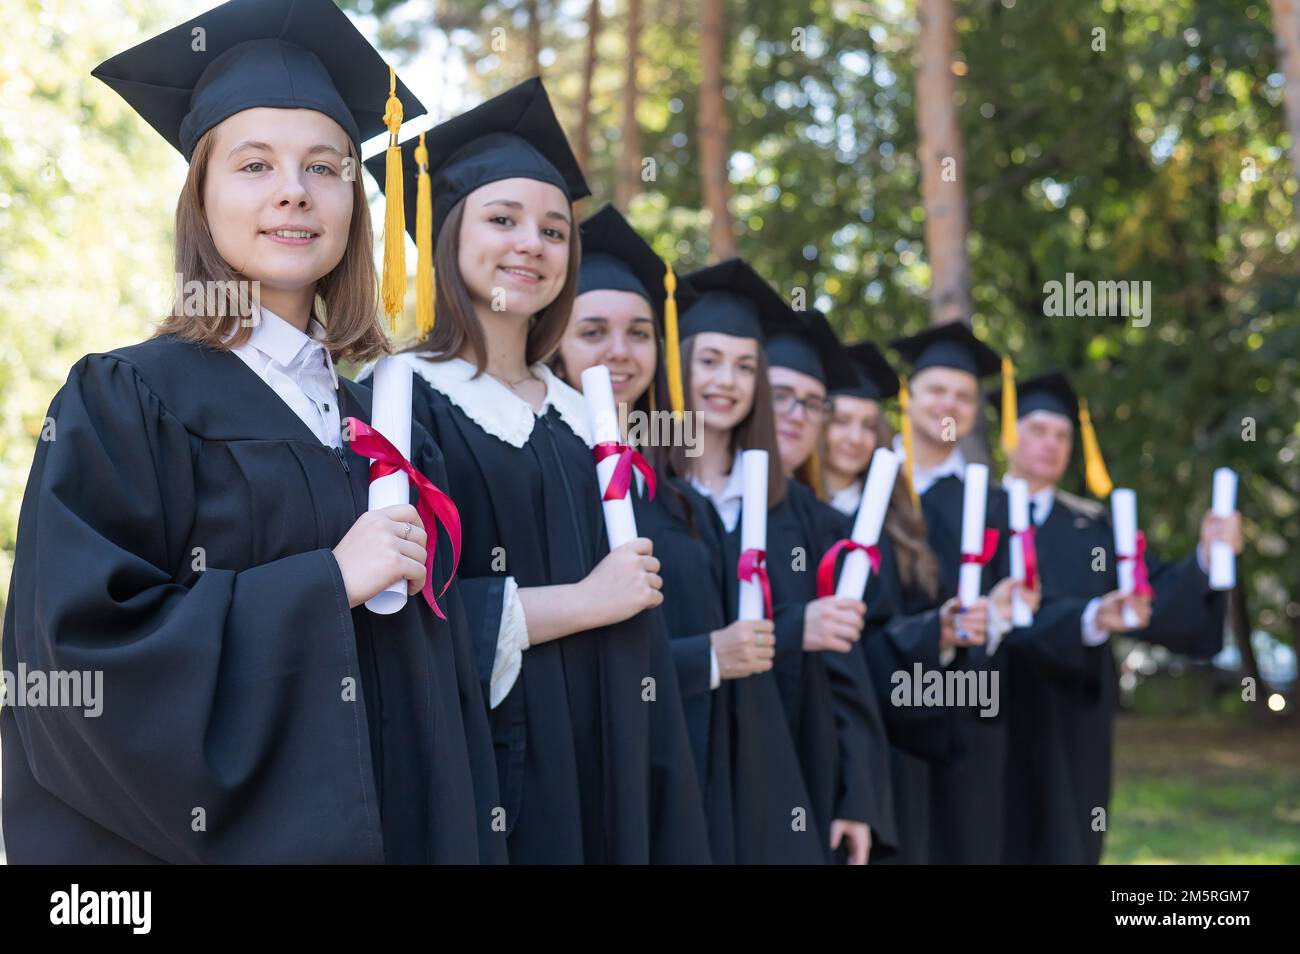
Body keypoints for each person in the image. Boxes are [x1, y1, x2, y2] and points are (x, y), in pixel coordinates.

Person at [2, 0, 503, 864]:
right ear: (201, 196)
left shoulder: (376, 425)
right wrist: (328, 583)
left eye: (325, 166)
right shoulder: (124, 399)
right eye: (254, 164)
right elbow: (78, 663)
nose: (292, 191)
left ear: (354, 200)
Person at [362, 81, 710, 864]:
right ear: (447, 235)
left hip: (612, 752)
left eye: (555, 230)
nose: (532, 244)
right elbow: (398, 616)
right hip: (487, 776)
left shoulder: (591, 421)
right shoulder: (399, 406)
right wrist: (584, 604)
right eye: (502, 219)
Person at [552, 203, 823, 863]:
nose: (620, 351)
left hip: (687, 776)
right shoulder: (546, 464)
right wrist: (707, 658)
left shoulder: (670, 496)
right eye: (593, 331)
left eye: (640, 333)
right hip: (582, 780)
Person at [669, 259, 888, 864]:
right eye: (708, 360)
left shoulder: (804, 516)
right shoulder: (641, 492)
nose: (727, 382)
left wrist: (858, 794)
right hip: (676, 762)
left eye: (745, 367)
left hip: (784, 769)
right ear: (676, 361)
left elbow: (847, 675)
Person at [990, 371, 1240, 863]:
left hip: (1073, 725)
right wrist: (1088, 617)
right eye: (1038, 430)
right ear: (1009, 436)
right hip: (989, 718)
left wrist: (1208, 557)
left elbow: (1155, 598)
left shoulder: (1093, 528)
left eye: (1063, 436)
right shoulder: (968, 514)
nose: (1051, 445)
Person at [823, 340, 982, 864]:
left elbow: (898, 640)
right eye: (840, 420)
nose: (854, 438)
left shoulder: (898, 532)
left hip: (880, 741)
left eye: (869, 426)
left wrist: (936, 633)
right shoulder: (785, 515)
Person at [888, 320, 1039, 863]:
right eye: (936, 390)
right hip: (884, 701)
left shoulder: (994, 505)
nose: (948, 404)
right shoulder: (872, 486)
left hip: (968, 707)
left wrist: (1001, 615)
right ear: (908, 396)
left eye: (964, 395)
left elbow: (1016, 608)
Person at [762, 311, 901, 860]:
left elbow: (852, 676)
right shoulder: (687, 507)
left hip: (806, 764)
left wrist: (858, 795)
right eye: (780, 397)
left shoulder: (827, 530)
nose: (797, 417)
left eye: (811, 404)